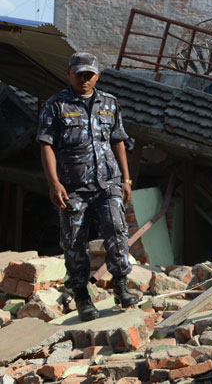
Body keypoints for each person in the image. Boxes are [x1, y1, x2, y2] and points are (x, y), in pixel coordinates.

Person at [37, 52, 139, 322]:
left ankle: (120, 286)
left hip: (108, 182)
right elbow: (45, 144)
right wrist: (54, 182)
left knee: (117, 230)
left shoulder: (109, 103)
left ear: (97, 75)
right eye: (79, 74)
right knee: (73, 241)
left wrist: (126, 179)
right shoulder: (56, 105)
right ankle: (81, 295)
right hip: (72, 186)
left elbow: (118, 140)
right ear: (69, 74)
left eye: (89, 74)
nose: (84, 79)